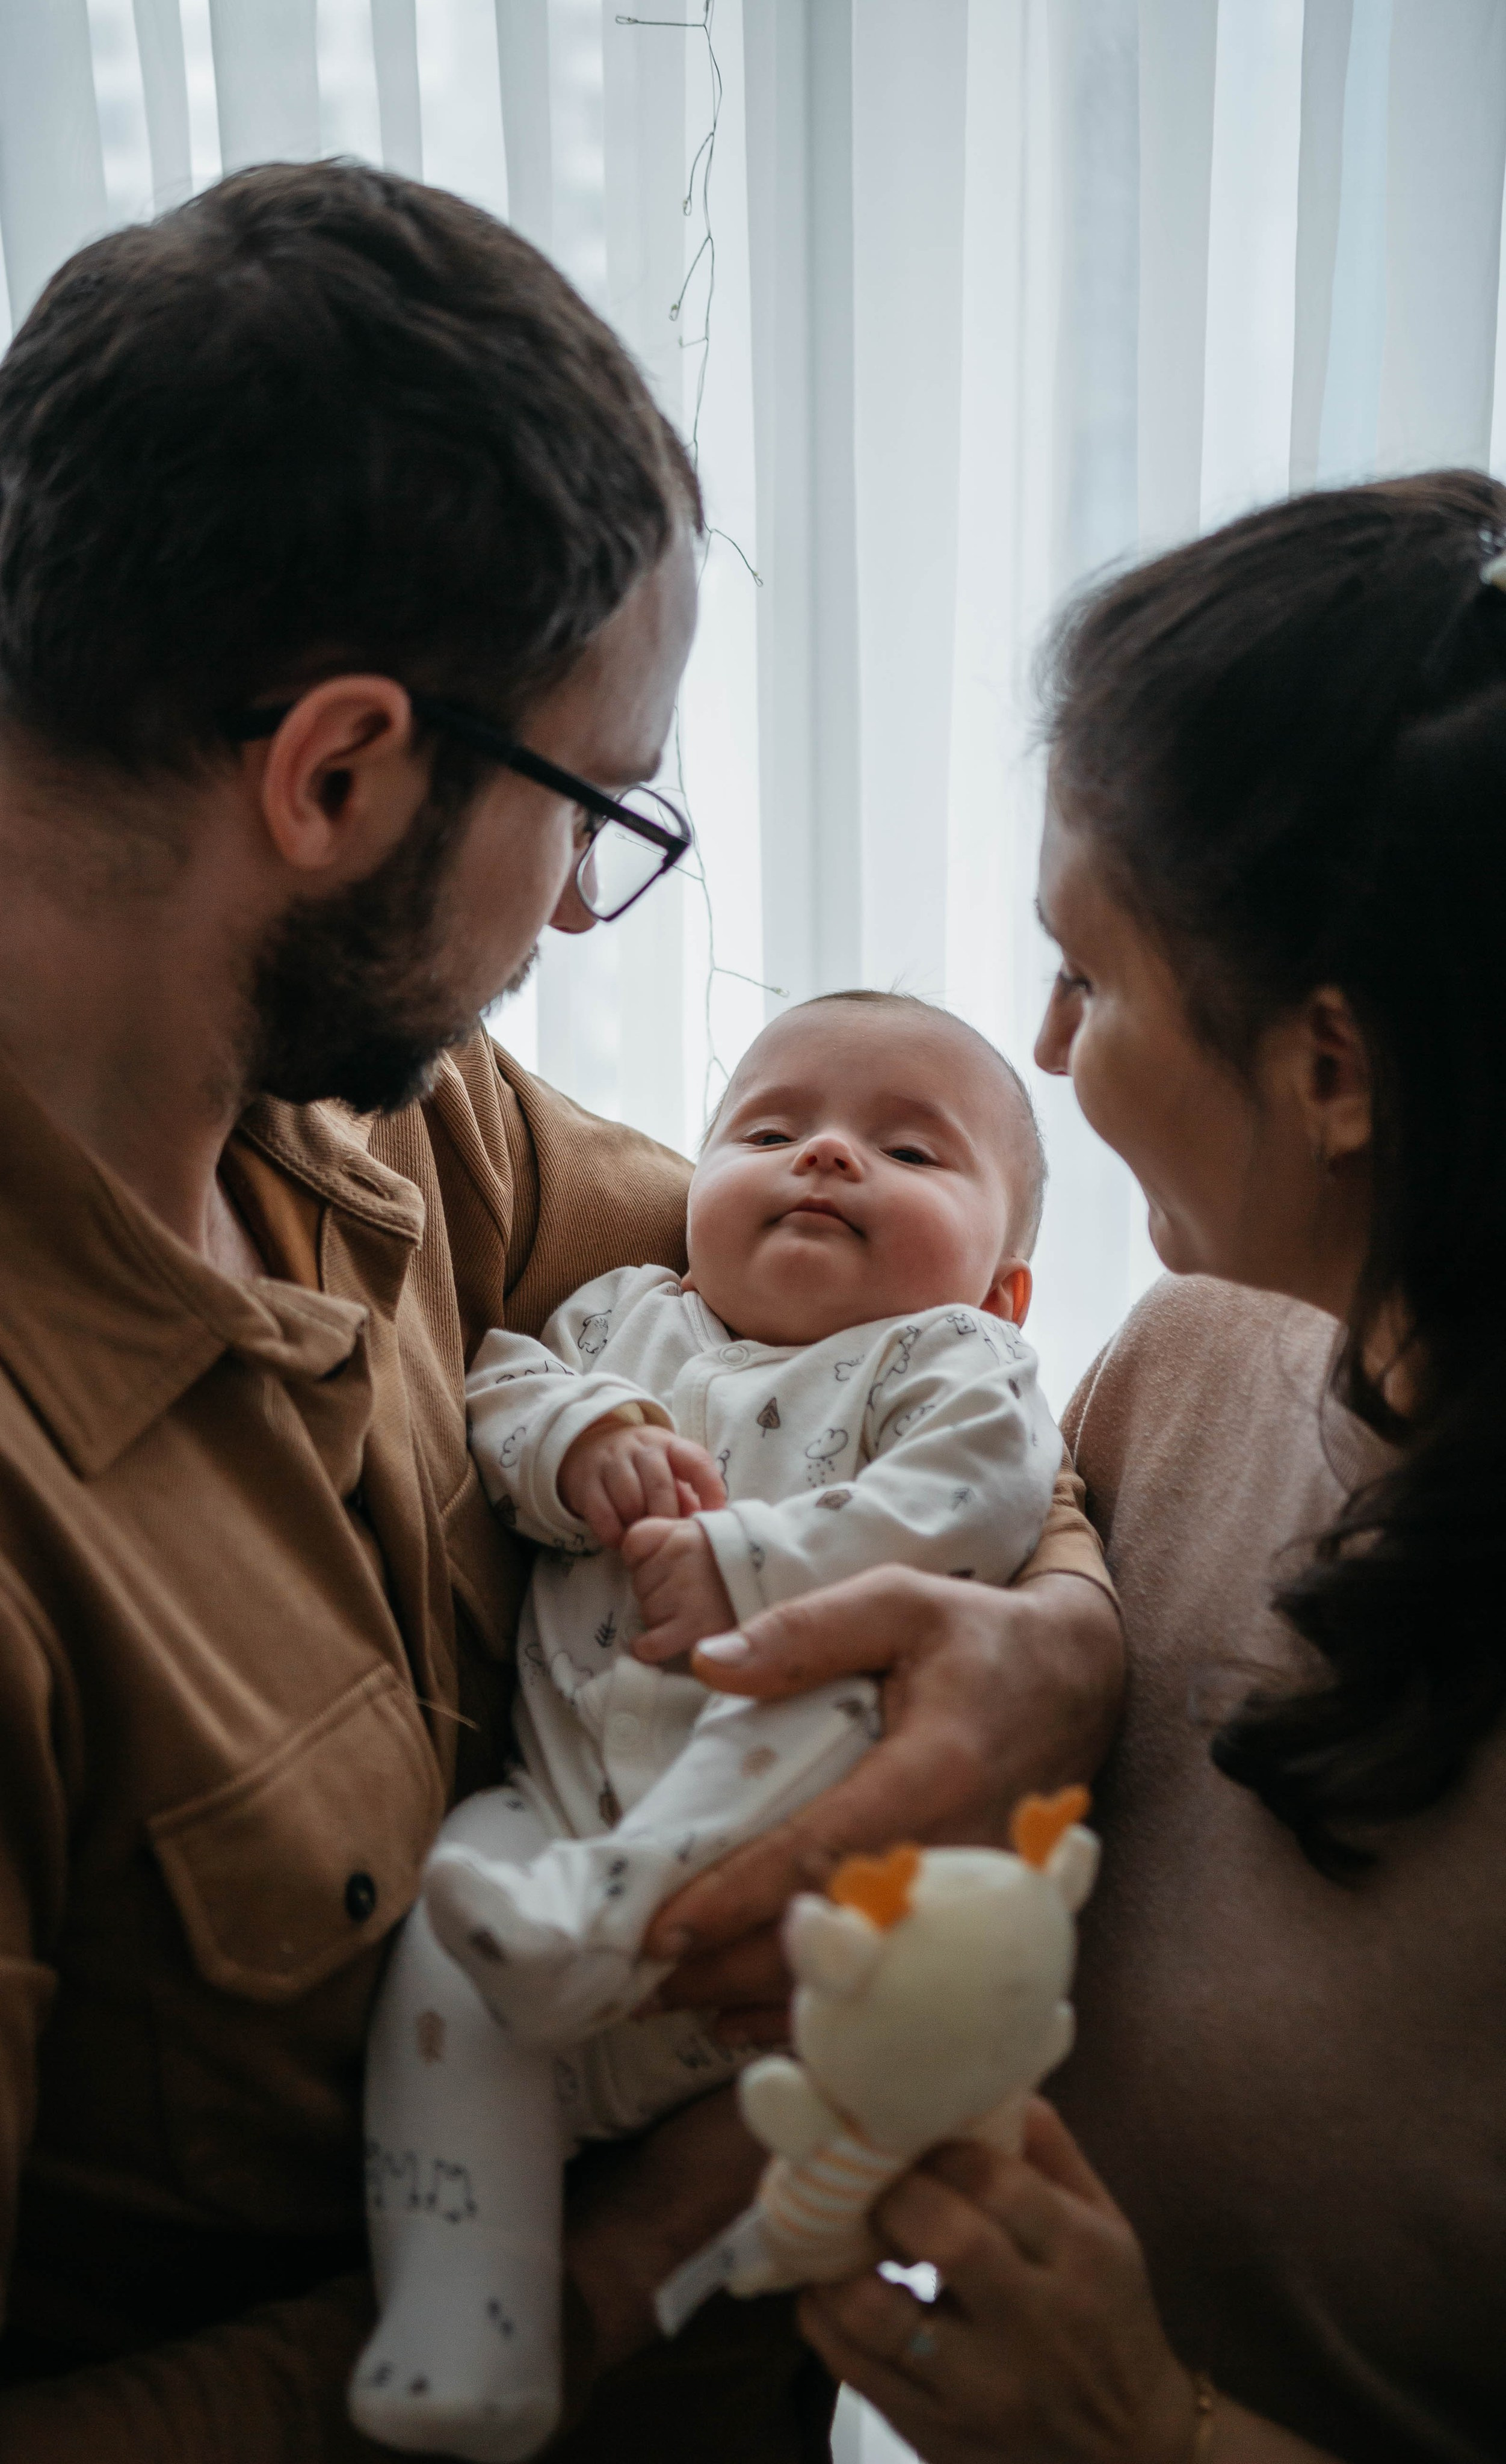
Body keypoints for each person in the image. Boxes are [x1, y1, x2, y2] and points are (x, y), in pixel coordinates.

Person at [0, 161, 1125, 2461]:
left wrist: (1055, 1641)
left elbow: (905, 1339)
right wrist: (621, 2266)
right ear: (335, 772)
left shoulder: (384, 1113)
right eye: (592, 808)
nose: (578, 919)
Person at [750, 472, 1506, 2462]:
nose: (1041, 1036)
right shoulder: (1172, 1367)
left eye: (1090, 977)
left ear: (1331, 1067)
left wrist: (1142, 2433)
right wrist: (1062, 1632)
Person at [356, 990, 1070, 2458]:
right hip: (552, 1840)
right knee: (446, 1921)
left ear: (1003, 1287)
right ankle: (469, 2311)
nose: (822, 1157)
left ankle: (608, 1919)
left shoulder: (945, 1361)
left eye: (909, 1151)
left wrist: (746, 1562)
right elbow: (497, 1383)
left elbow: (975, 1500)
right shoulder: (630, 1316)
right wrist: (580, 1438)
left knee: (801, 1693)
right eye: (768, 1128)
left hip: (767, 1910)